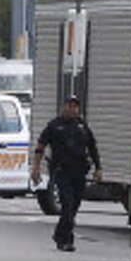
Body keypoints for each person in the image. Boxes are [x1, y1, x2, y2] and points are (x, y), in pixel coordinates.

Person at [31, 95, 102, 252]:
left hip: (79, 172)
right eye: (69, 106)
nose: (72, 109)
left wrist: (98, 168)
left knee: (74, 206)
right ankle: (66, 240)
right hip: (61, 171)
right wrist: (35, 168)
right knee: (67, 205)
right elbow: (40, 146)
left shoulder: (82, 126)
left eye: (75, 106)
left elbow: (92, 147)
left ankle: (59, 234)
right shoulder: (54, 126)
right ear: (63, 107)